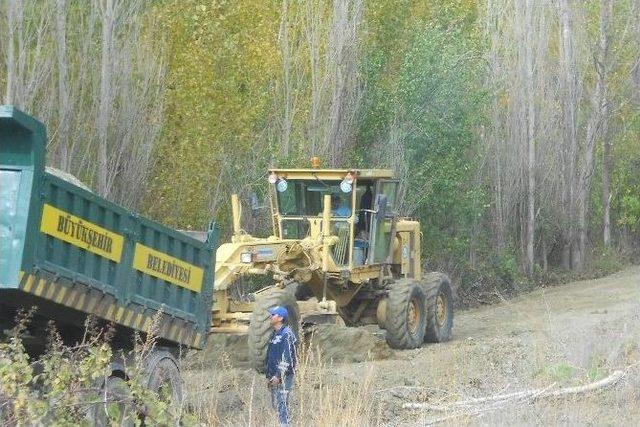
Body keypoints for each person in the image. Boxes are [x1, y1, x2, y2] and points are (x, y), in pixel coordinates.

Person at [266, 305, 297, 426]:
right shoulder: (274, 334)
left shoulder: (286, 334)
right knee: (278, 406)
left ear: (280, 318)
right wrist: (269, 375)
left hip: (283, 378)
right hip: (274, 377)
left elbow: (288, 358)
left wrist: (279, 376)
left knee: (282, 405)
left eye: (273, 315)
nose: (270, 316)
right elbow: (270, 357)